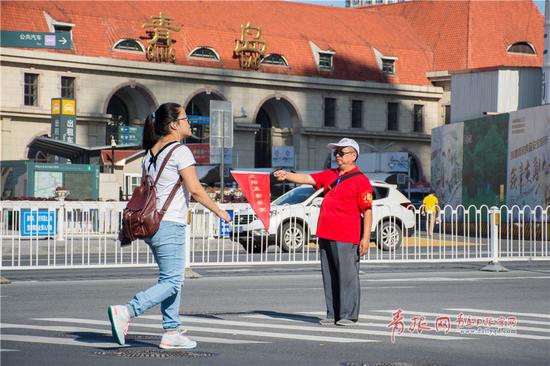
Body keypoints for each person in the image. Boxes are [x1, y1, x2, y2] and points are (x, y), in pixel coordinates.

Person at [108, 102, 231, 349]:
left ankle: (171, 331)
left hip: (152, 224)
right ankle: (128, 310)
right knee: (173, 281)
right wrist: (220, 211)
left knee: (170, 278)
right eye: (185, 119)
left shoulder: (151, 152)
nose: (189, 123)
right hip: (169, 223)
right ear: (174, 125)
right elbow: (195, 190)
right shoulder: (180, 151)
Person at [273, 138, 373, 326]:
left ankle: (348, 315)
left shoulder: (361, 180)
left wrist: (365, 238)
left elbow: (367, 210)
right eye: (336, 153)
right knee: (329, 275)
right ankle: (332, 313)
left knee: (347, 276)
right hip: (326, 233)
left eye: (341, 153)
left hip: (346, 235)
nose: (337, 156)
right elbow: (307, 178)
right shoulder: (330, 174)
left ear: (353, 156)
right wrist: (286, 175)